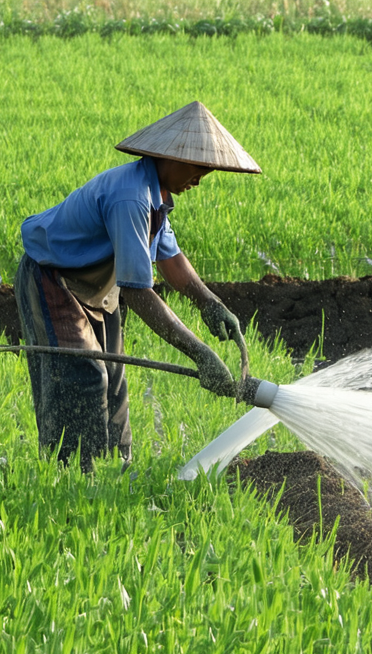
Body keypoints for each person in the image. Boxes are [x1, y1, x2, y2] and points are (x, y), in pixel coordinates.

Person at [14, 101, 261, 470]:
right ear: (172, 157)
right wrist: (199, 352)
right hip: (55, 279)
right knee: (82, 377)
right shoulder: (131, 197)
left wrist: (209, 302)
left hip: (97, 287)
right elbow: (137, 290)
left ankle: (117, 473)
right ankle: (73, 479)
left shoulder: (157, 197)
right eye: (198, 167)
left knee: (114, 380)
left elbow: (170, 260)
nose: (201, 178)